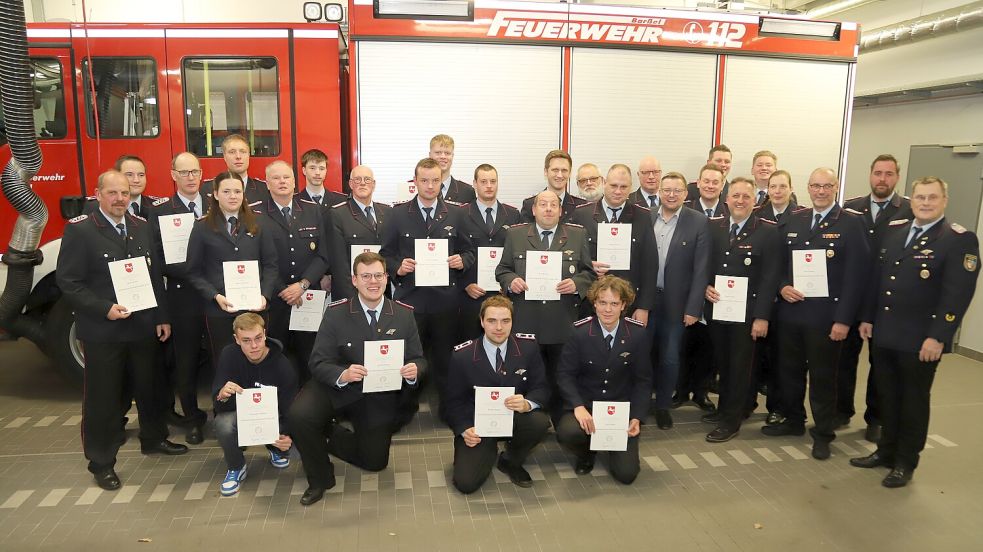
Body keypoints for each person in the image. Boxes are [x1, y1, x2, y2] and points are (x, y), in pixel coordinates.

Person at [56, 170, 187, 491]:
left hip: (142, 327)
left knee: (150, 388)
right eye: (112, 193)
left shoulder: (140, 226)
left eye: (125, 193)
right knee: (104, 400)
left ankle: (153, 438)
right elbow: (69, 282)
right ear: (98, 194)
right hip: (104, 331)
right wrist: (104, 308)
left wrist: (162, 316)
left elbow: (154, 276)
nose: (119, 199)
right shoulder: (81, 230)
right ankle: (101, 462)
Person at [853, 176, 979, 488]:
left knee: (913, 402)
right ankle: (885, 451)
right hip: (885, 333)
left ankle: (905, 462)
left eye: (932, 197)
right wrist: (867, 317)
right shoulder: (896, 231)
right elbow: (878, 279)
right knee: (887, 396)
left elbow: (957, 295)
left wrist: (938, 336)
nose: (925, 203)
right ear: (913, 200)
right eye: (920, 197)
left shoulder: (958, 239)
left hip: (921, 340)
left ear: (944, 201)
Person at [289, 252, 425, 506]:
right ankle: (320, 479)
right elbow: (317, 362)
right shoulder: (336, 313)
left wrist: (414, 370)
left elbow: (419, 358)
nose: (373, 282)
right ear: (354, 280)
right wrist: (343, 374)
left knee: (375, 461)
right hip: (338, 384)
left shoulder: (403, 314)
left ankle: (327, 434)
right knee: (300, 415)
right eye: (366, 276)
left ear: (386, 278)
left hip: (378, 393)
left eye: (378, 275)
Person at [764, 168, 868, 461]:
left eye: (826, 186)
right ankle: (794, 420)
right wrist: (782, 286)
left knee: (823, 380)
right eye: (815, 186)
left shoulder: (851, 223)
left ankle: (822, 434)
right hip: (791, 314)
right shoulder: (795, 220)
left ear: (835, 187)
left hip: (826, 319)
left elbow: (856, 277)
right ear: (808, 188)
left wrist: (844, 320)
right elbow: (777, 264)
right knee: (790, 373)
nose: (820, 191)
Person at [382, 157, 474, 425]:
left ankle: (449, 411)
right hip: (410, 302)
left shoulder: (457, 213)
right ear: (415, 181)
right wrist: (398, 267)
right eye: (424, 180)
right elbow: (385, 254)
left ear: (441, 181)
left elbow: (469, 251)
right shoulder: (397, 214)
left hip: (445, 302)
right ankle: (404, 411)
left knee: (445, 361)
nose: (430, 185)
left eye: (435, 180)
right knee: (409, 360)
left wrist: (461, 260)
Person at [496, 190, 596, 418]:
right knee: (527, 377)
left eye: (553, 205)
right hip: (526, 321)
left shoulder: (577, 234)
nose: (548, 209)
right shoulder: (516, 234)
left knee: (561, 376)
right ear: (534, 210)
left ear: (561, 211)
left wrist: (576, 284)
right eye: (543, 204)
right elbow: (502, 269)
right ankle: (531, 421)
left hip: (561, 321)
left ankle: (561, 421)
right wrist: (511, 281)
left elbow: (589, 273)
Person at [839, 154, 913, 442]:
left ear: (897, 177)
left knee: (880, 363)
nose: (882, 179)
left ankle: (876, 419)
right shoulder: (850, 207)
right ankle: (841, 411)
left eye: (889, 174)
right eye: (878, 173)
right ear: (870, 174)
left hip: (885, 300)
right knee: (844, 359)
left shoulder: (908, 209)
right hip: (852, 297)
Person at [701, 178, 781, 442]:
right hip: (718, 309)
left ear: (754, 201)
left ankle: (731, 421)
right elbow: (705, 264)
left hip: (747, 315)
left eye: (746, 196)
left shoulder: (768, 231)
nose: (740, 201)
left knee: (740, 368)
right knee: (723, 363)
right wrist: (705, 287)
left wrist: (762, 317)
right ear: (726, 199)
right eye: (735, 196)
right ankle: (727, 407)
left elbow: (770, 278)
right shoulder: (714, 227)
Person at [446, 295, 551, 493]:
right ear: (482, 321)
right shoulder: (463, 355)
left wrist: (528, 403)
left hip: (514, 416)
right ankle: (486, 450)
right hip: (477, 424)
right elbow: (453, 401)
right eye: (492, 321)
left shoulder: (528, 347)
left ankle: (511, 460)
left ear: (512, 321)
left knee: (538, 422)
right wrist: (464, 428)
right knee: (466, 483)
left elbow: (542, 387)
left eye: (505, 321)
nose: (499, 328)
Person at [555, 277, 651, 483]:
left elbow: (643, 380)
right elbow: (565, 374)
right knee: (568, 431)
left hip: (620, 411)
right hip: (587, 406)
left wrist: (636, 417)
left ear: (623, 305)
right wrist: (578, 406)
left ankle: (610, 444)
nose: (608, 309)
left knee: (627, 475)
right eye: (602, 302)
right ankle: (586, 453)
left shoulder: (637, 334)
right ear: (594, 304)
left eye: (614, 303)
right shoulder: (579, 332)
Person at [148, 152, 210, 444]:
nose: (190, 177)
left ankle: (226, 413)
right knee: (185, 362)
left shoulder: (217, 202)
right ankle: (192, 419)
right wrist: (192, 271)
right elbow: (157, 259)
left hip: (217, 295)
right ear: (173, 175)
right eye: (184, 172)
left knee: (222, 357)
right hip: (183, 296)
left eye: (195, 171)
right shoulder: (161, 211)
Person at [186, 172, 279, 364]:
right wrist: (215, 296)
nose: (233, 196)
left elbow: (271, 265)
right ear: (215, 194)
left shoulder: (259, 222)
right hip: (219, 311)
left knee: (257, 362)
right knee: (224, 362)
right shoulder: (202, 226)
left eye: (237, 191)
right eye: (226, 191)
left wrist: (265, 295)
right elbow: (193, 272)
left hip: (255, 309)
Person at [255, 161, 330, 382]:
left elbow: (323, 255)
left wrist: (302, 285)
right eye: (276, 178)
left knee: (311, 355)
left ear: (295, 181)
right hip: (275, 299)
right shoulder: (255, 213)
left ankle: (309, 400)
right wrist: (283, 289)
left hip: (308, 296)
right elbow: (255, 259)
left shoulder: (312, 210)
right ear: (267, 183)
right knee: (275, 355)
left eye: (286, 177)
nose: (282, 182)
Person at [212, 313, 298, 496]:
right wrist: (222, 395)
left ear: (265, 334)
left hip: (273, 417)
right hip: (241, 415)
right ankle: (236, 466)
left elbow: (290, 408)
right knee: (223, 423)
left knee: (298, 449)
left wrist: (287, 436)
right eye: (246, 340)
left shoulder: (283, 364)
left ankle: (275, 448)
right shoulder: (229, 355)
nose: (254, 346)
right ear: (236, 339)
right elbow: (218, 406)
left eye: (258, 338)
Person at [650, 171, 710, 430]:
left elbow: (701, 269)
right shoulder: (646, 217)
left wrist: (694, 308)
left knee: (670, 357)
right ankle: (641, 403)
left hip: (677, 304)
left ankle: (663, 406)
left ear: (686, 193)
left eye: (677, 190)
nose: (671, 195)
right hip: (646, 301)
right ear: (659, 192)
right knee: (641, 355)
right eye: (667, 190)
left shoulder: (698, 221)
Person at [570, 163, 657, 320]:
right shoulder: (581, 214)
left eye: (623, 187)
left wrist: (644, 307)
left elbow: (650, 265)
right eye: (613, 185)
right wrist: (588, 264)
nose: (618, 191)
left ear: (631, 188)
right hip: (590, 302)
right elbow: (571, 257)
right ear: (604, 183)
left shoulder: (643, 216)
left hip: (628, 303)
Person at [751, 169, 798, 426]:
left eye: (782, 186)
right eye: (773, 186)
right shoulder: (757, 216)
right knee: (755, 355)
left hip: (789, 299)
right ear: (767, 190)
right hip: (760, 295)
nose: (777, 191)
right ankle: (747, 402)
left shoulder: (802, 218)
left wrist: (783, 286)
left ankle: (777, 407)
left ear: (791, 188)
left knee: (781, 358)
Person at [457, 163, 523, 341]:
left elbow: (518, 253)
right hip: (471, 295)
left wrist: (509, 282)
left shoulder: (513, 214)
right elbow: (455, 252)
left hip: (503, 295)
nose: (489, 186)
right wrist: (465, 284)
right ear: (474, 184)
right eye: (483, 181)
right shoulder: (460, 214)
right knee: (471, 347)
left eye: (493, 181)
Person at [328, 165, 392, 302]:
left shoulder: (387, 212)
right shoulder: (338, 214)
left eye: (367, 179)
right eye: (358, 179)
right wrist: (353, 299)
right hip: (352, 293)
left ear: (373, 184)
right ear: (351, 184)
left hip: (381, 292)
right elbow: (339, 264)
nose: (363, 183)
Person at [201, 134, 270, 204]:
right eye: (232, 152)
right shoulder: (209, 188)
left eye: (243, 152)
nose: (238, 156)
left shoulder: (264, 189)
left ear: (248, 155)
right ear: (224, 156)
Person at [520, 150, 586, 223]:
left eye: (564, 170)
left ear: (570, 173)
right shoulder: (529, 205)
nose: (560, 175)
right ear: (546, 172)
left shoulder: (581, 207)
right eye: (555, 170)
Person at [83, 155, 158, 218]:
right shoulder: (96, 205)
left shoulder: (157, 206)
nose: (136, 180)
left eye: (141, 175)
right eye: (129, 175)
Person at [429, 134, 477, 203]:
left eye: (447, 153)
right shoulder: (420, 189)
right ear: (430, 155)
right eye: (438, 153)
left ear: (452, 156)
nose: (443, 156)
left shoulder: (467, 192)